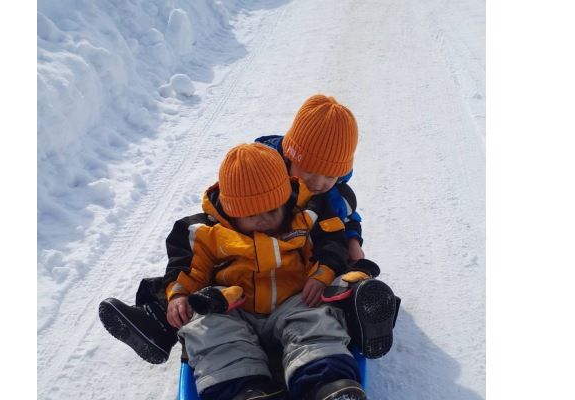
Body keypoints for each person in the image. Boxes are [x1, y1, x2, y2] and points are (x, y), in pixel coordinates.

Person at [99, 95, 399, 364]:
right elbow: (228, 207)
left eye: (330, 175)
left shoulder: (332, 197)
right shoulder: (263, 168)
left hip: (303, 265)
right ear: (290, 155)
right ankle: (157, 325)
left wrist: (353, 243)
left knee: (344, 278)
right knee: (192, 273)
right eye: (308, 171)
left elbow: (345, 223)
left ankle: (364, 318)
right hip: (247, 262)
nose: (318, 182)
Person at [170, 142, 366, 400]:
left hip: (294, 301)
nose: (264, 220)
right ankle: (247, 390)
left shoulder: (306, 214)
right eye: (252, 215)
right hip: (235, 307)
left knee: (317, 320)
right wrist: (178, 295)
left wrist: (321, 273)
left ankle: (324, 386)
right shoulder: (205, 232)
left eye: (273, 211)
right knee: (205, 327)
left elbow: (330, 243)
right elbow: (187, 268)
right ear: (231, 211)